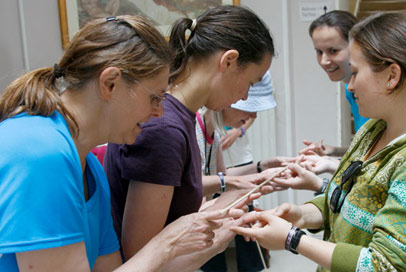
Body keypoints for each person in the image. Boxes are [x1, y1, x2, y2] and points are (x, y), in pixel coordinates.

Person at [231, 12, 406, 271]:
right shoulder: (374, 129)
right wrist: (300, 215)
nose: (350, 85)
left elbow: (386, 265)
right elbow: (347, 200)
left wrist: (293, 239)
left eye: (356, 73)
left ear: (392, 76)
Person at [0, 15, 243, 271]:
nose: (159, 112)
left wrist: (216, 238)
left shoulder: (90, 169)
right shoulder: (40, 152)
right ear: (110, 83)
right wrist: (168, 241)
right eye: (155, 97)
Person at [104, 5, 275, 271]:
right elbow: (143, 256)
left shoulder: (178, 117)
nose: (244, 97)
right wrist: (223, 234)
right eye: (250, 83)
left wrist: (237, 196)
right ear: (228, 61)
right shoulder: (165, 129)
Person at [198, 71, 277, 272]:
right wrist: (242, 182)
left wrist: (264, 166)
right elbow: (199, 183)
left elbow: (221, 176)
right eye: (250, 108)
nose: (253, 116)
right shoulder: (192, 128)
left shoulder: (213, 133)